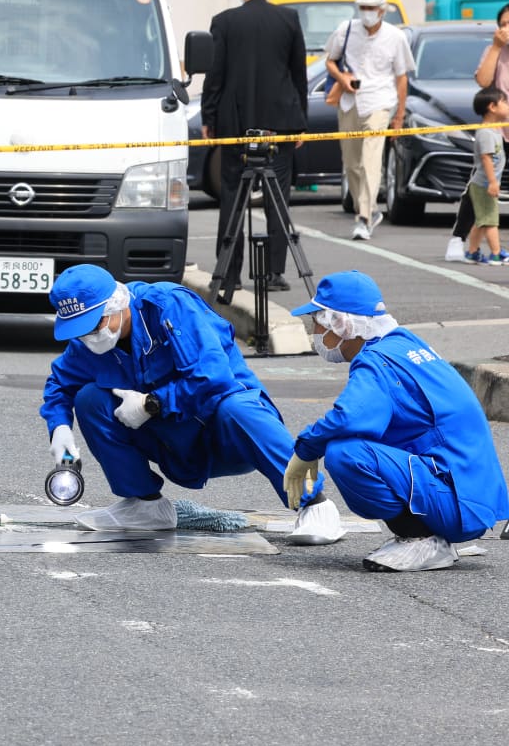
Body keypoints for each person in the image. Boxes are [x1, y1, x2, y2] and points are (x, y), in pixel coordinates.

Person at [40, 264, 344, 544]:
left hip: (226, 436)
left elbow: (214, 375)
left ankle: (315, 506)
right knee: (89, 399)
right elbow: (59, 385)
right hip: (173, 444)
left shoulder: (168, 305)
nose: (91, 336)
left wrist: (152, 404)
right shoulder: (88, 344)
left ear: (117, 303)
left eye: (95, 325)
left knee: (238, 407)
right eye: (81, 330)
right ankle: (145, 506)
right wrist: (60, 431)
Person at [285, 271, 509, 571]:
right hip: (469, 493)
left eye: (317, 322)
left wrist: (306, 451)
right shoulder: (403, 344)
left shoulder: (376, 361)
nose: (314, 332)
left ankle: (420, 540)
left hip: (457, 502)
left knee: (345, 454)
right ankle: (429, 535)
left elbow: (350, 417)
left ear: (341, 323)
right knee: (361, 443)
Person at [200, 0, 307, 296]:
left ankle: (229, 273)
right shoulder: (288, 19)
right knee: (278, 198)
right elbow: (298, 74)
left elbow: (214, 76)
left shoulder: (224, 22)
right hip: (281, 126)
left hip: (237, 125)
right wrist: (299, 122)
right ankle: (275, 272)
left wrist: (209, 118)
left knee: (232, 196)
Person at [325, 0, 415, 242]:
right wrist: (342, 78)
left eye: (371, 9)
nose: (366, 13)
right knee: (351, 164)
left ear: (382, 10)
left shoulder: (395, 37)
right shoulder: (346, 29)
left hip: (379, 101)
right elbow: (330, 60)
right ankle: (367, 210)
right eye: (362, 8)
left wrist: (398, 116)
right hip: (350, 101)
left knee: (371, 160)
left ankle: (364, 217)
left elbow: (401, 78)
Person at [463, 87, 509, 265]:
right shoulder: (486, 133)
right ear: (492, 107)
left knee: (482, 220)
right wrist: (492, 182)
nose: (507, 106)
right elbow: (486, 158)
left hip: (485, 184)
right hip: (483, 184)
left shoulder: (495, 130)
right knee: (490, 221)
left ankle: (472, 252)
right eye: (504, 102)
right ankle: (496, 253)